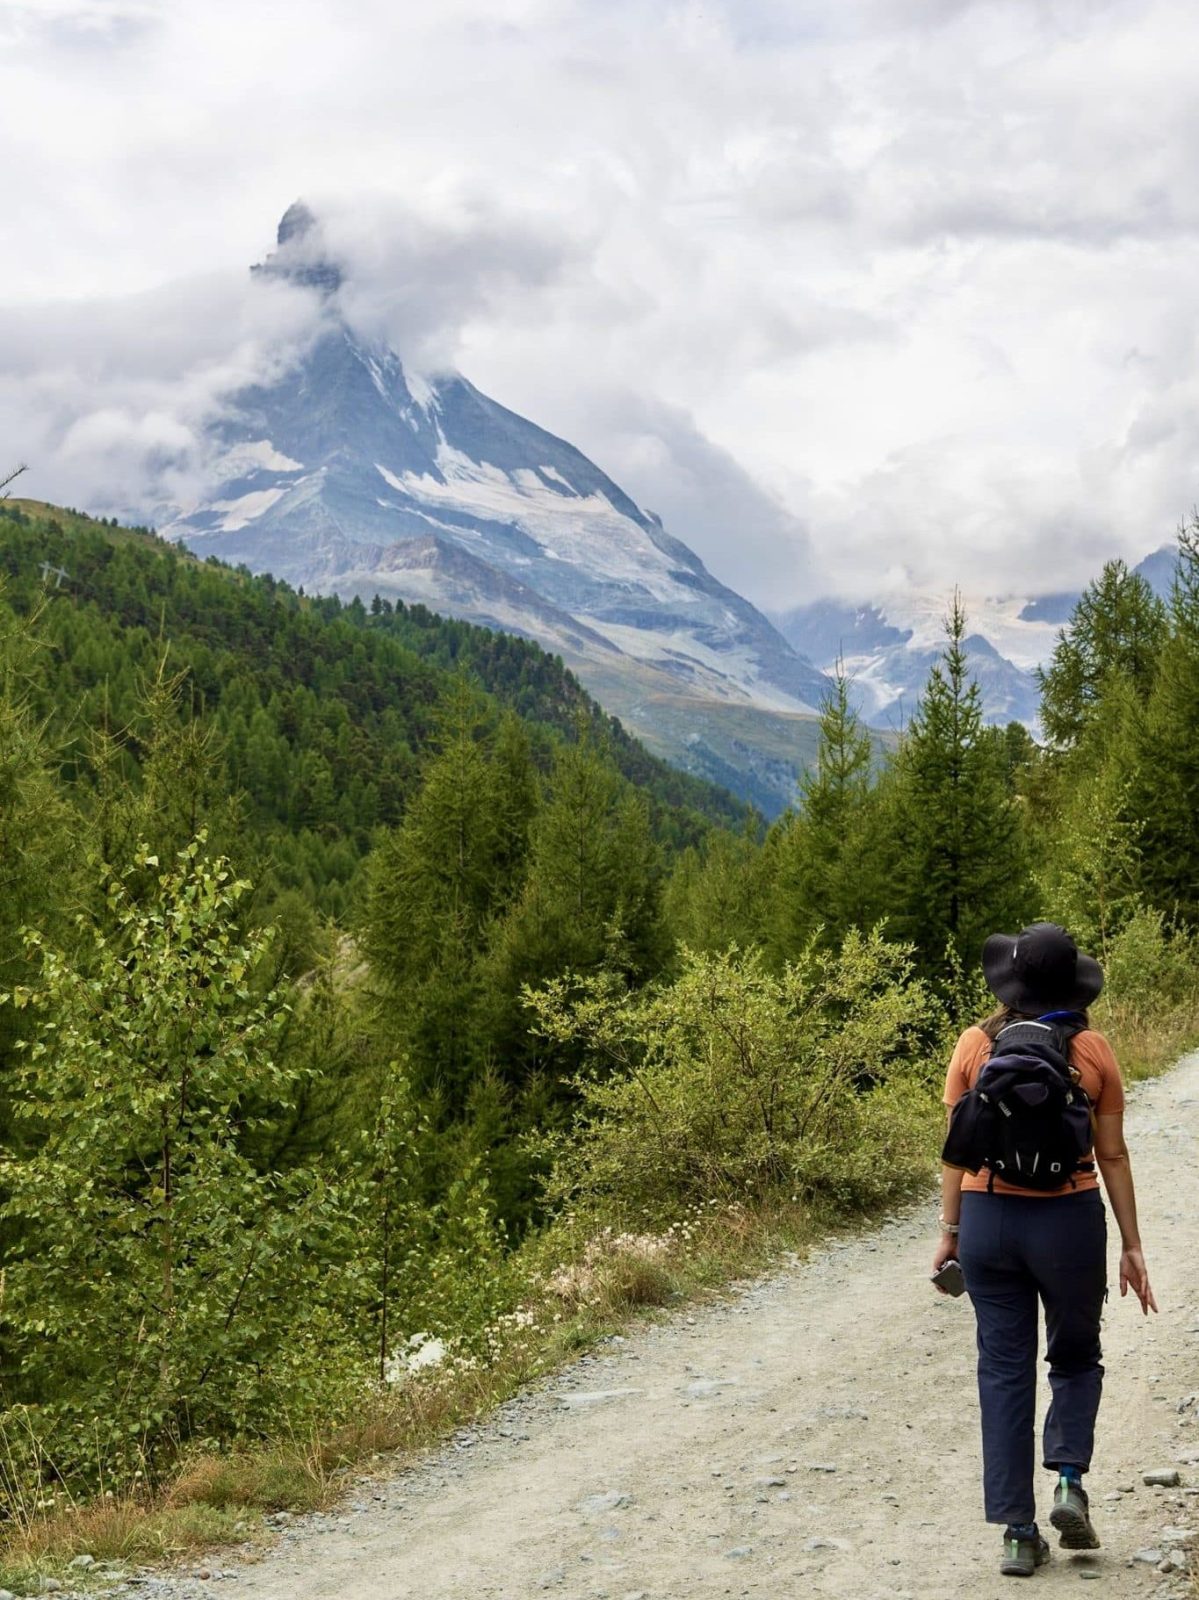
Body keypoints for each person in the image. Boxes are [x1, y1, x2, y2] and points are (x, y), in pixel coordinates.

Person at [933, 922, 1157, 1578]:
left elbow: (954, 1149)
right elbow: (1110, 1153)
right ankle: (1065, 1481)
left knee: (1002, 1370)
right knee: (1075, 1355)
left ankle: (1016, 1532)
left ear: (1010, 981)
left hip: (988, 1219)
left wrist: (948, 1233)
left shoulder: (975, 1044)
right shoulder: (1092, 1050)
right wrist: (1132, 1245)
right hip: (1067, 1219)